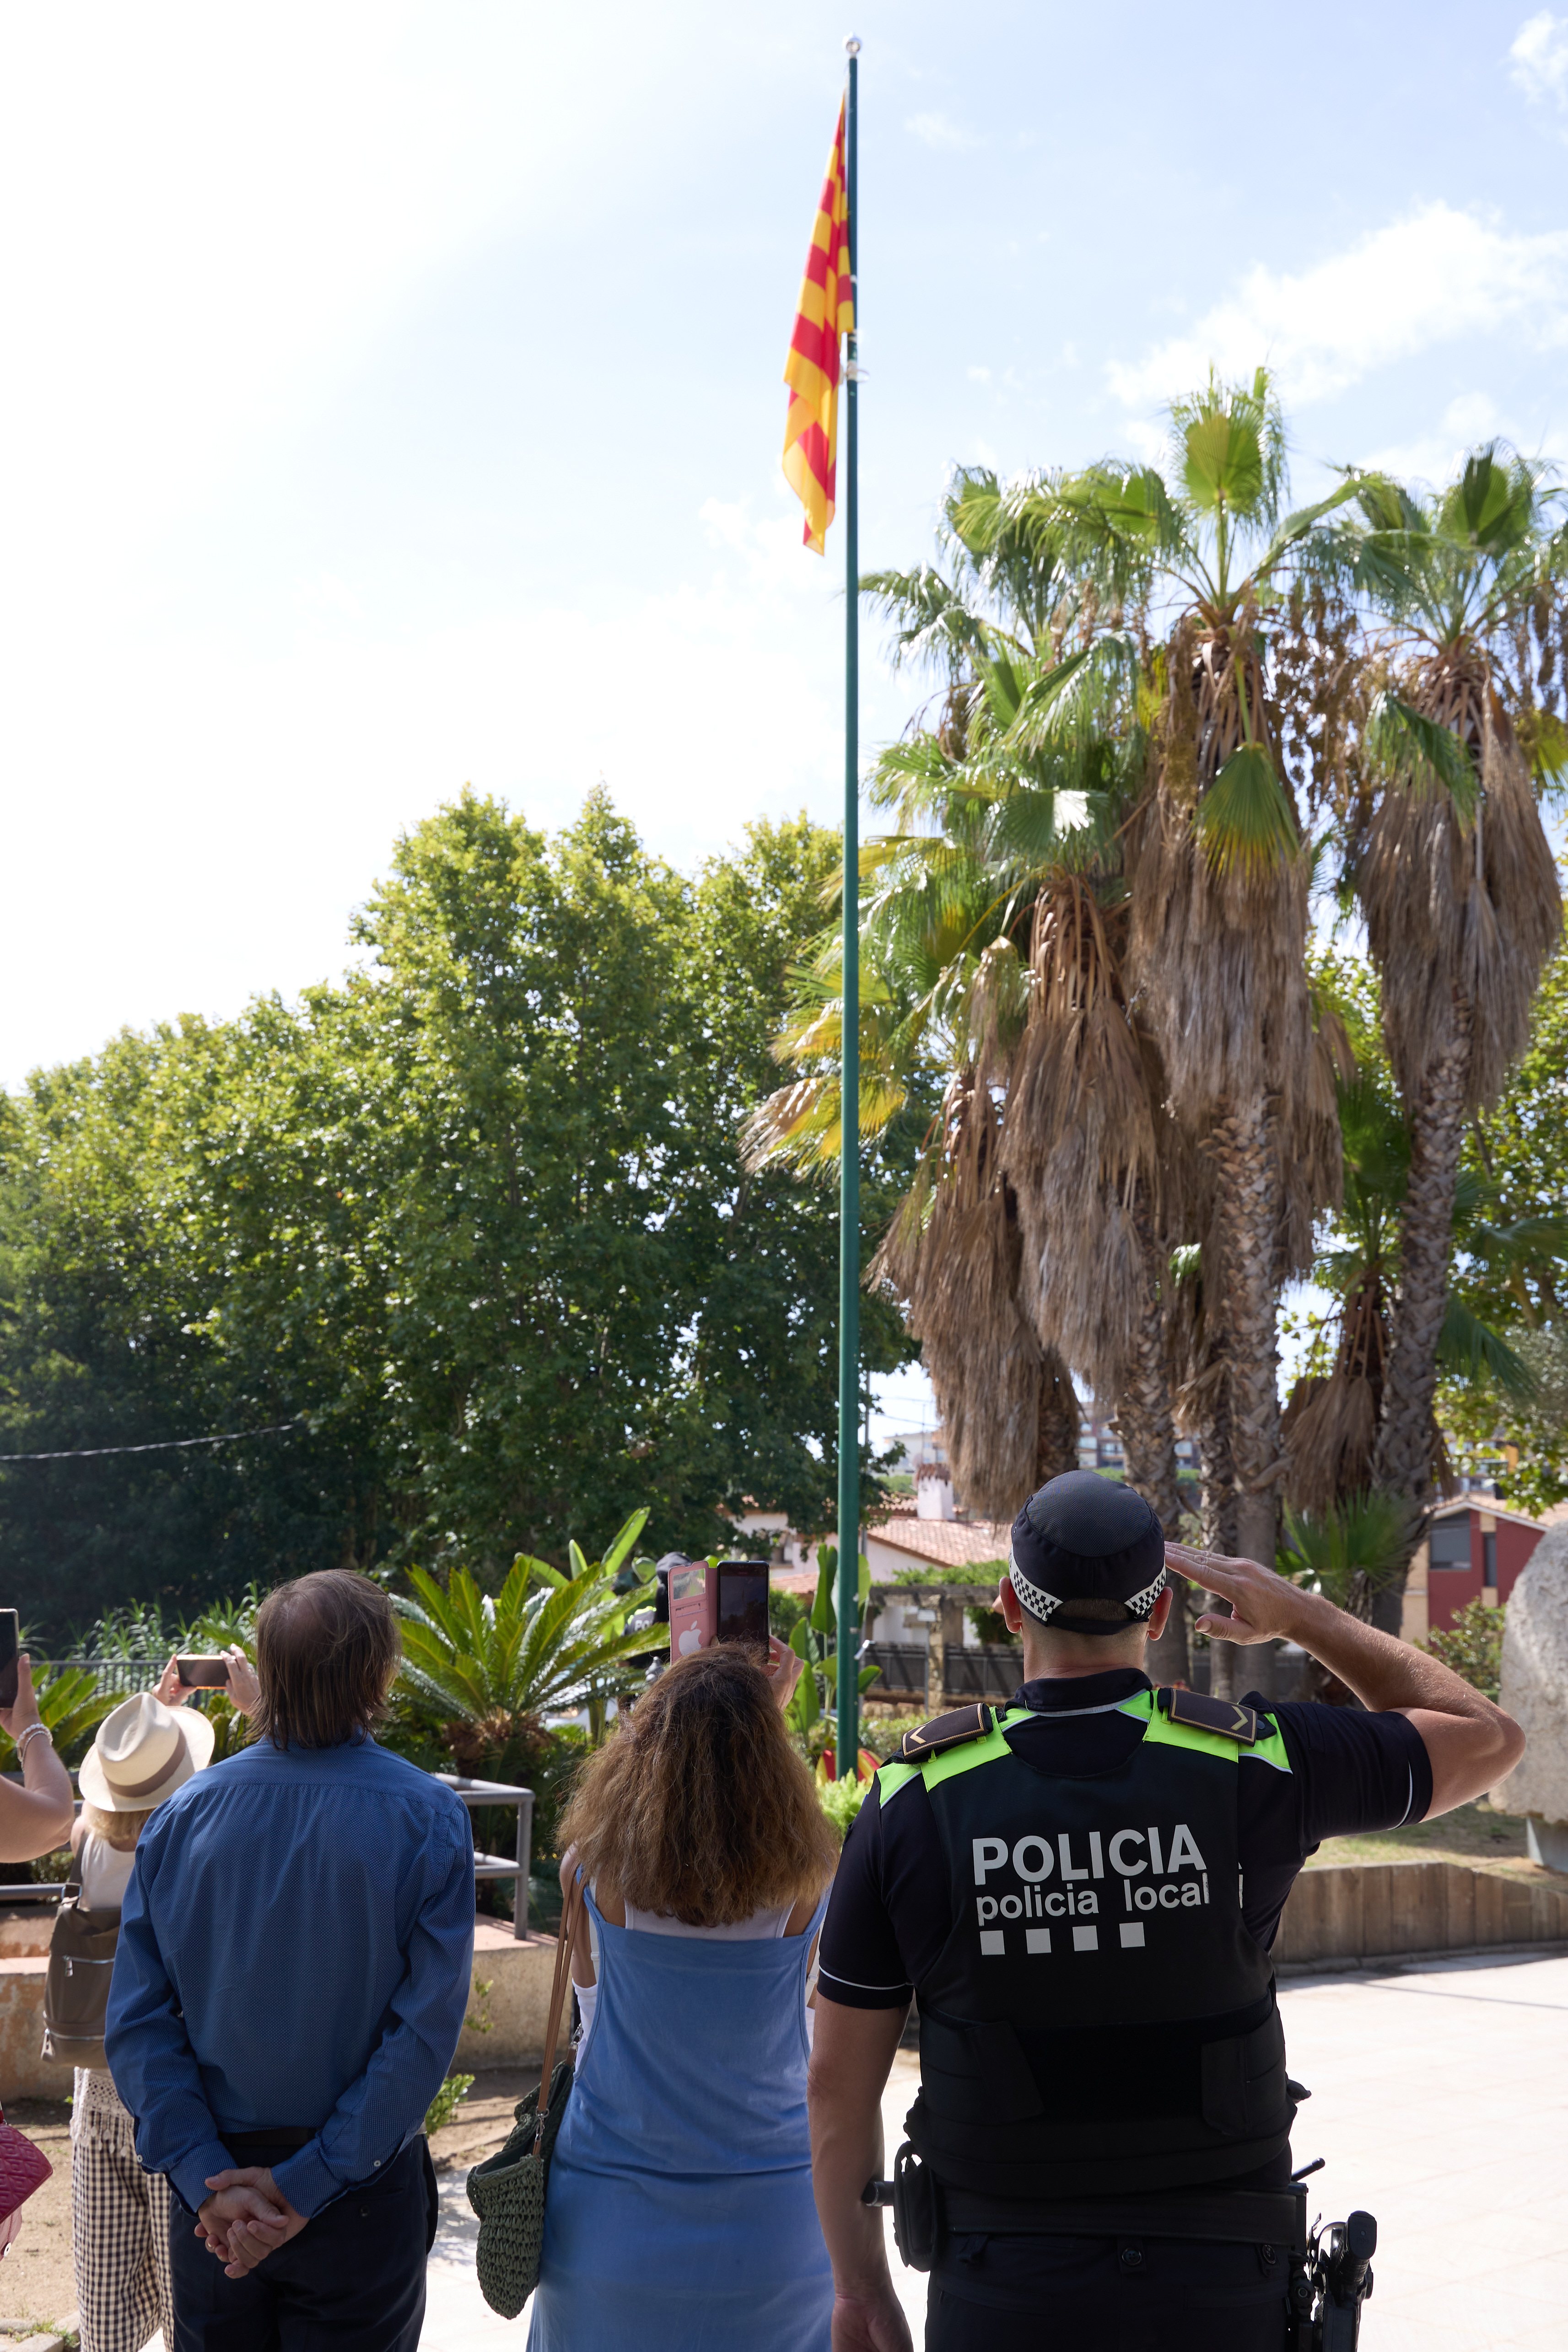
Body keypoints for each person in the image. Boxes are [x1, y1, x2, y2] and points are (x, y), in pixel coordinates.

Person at [808, 1470, 1526, 2352]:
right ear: (1158, 1615)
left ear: (1007, 1604)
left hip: (1005, 2287)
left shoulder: (911, 1801)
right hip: (1222, 2286)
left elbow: (836, 2088)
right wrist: (1299, 1614)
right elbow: (1489, 1736)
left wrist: (861, 2293)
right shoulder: (1259, 1761)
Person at [104, 1570, 476, 2352]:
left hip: (213, 2208)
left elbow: (138, 2025)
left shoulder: (179, 1818)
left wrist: (212, 2182)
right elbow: (422, 2037)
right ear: (381, 1675)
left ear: (265, 1676)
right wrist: (304, 2187)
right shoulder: (428, 1818)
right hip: (362, 2201)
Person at [528, 1638, 839, 2352]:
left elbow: (592, 2023)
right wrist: (760, 1715)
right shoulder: (810, 1887)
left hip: (608, 2223)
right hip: (775, 2229)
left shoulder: (591, 1875)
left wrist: (679, 1697)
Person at [66, 1656, 253, 2352]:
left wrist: (145, 1714)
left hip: (98, 2097)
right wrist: (255, 1707)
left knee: (107, 2320)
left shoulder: (88, 1841)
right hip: (177, 2105)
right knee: (190, 2315)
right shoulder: (202, 1849)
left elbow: (121, 1782)